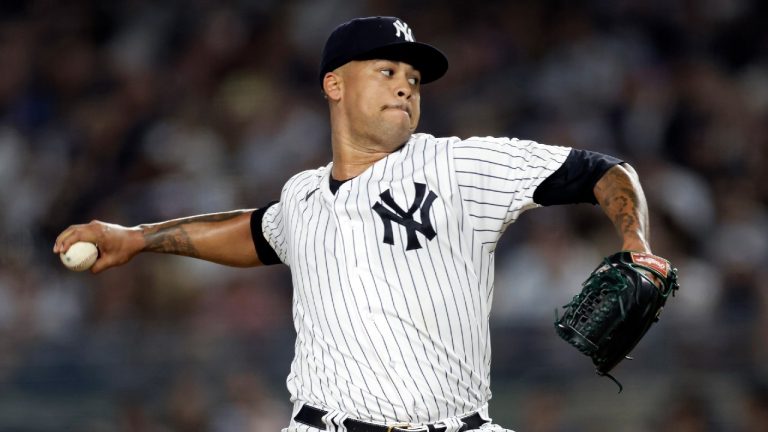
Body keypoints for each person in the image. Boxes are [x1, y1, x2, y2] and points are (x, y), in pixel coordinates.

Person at [54, 16, 658, 432]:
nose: (406, 86)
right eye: (387, 71)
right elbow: (256, 233)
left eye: (413, 79)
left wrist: (635, 241)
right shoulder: (304, 196)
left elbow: (600, 170)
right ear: (334, 85)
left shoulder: (456, 164)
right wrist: (137, 238)